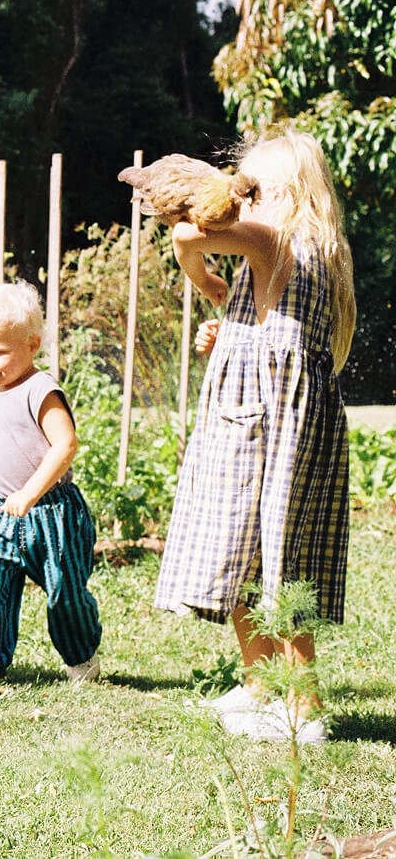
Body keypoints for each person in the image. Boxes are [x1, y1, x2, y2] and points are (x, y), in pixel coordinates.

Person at [154, 129, 355, 745]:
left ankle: (301, 706)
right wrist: (229, 327)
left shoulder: (272, 238)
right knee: (254, 551)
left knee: (271, 560)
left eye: (249, 189)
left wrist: (204, 280)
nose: (237, 198)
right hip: (289, 420)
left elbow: (187, 234)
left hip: (256, 422)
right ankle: (263, 685)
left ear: (282, 195)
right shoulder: (322, 249)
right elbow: (284, 340)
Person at [0, 280, 102, 687]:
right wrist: (6, 495)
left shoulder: (40, 388)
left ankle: (81, 658)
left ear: (32, 345)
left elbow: (65, 444)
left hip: (50, 514)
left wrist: (30, 493)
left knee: (64, 593)